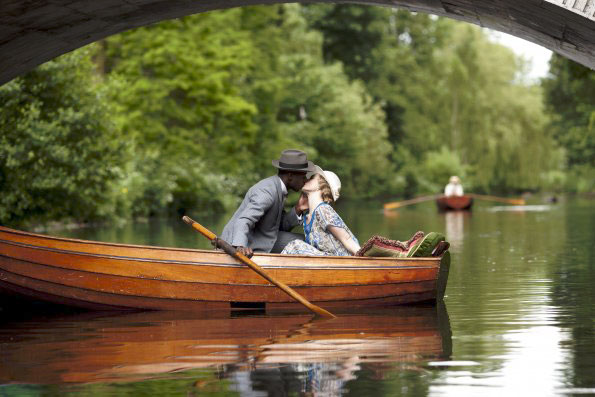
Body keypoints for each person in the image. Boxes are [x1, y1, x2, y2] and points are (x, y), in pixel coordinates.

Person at [220, 149, 316, 258]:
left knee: (305, 240)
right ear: (290, 176)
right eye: (303, 176)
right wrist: (240, 245)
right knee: (303, 244)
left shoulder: (279, 188)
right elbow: (244, 220)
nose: (305, 180)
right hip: (237, 244)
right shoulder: (267, 192)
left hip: (264, 237)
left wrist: (298, 208)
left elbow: (278, 226)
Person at [281, 167, 360, 256]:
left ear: (321, 185)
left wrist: (363, 258)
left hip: (343, 261)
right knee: (295, 245)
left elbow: (346, 238)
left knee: (295, 245)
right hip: (324, 261)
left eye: (312, 178)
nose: (306, 180)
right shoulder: (307, 215)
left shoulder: (323, 210)